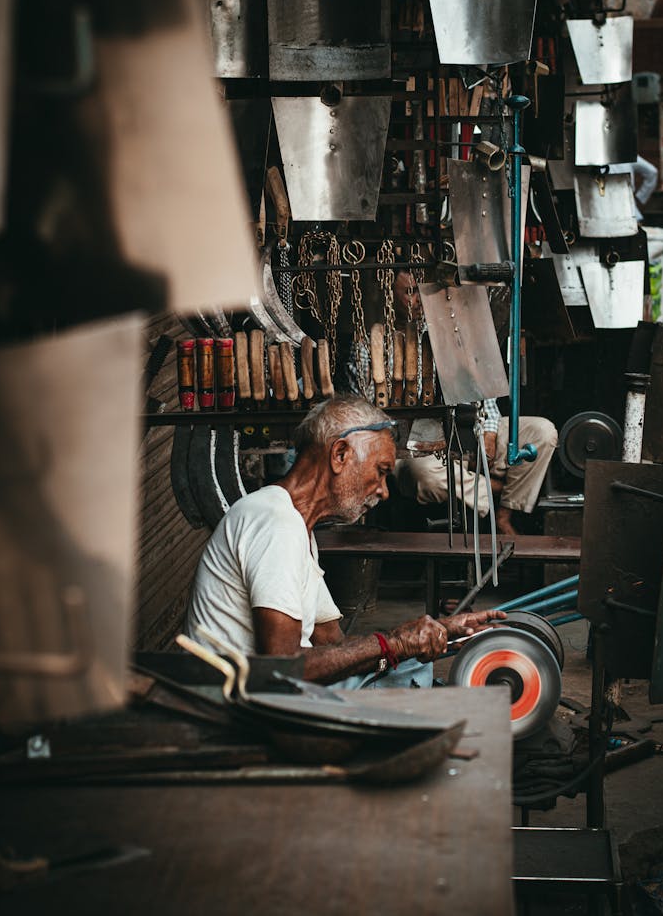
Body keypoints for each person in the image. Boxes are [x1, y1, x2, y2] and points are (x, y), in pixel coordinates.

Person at [186, 395, 505, 686]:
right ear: (339, 454)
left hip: (270, 693)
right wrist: (395, 642)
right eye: (380, 471)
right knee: (412, 688)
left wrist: (437, 633)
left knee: (409, 671)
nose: (384, 490)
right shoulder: (274, 522)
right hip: (241, 707)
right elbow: (282, 668)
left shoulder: (298, 530)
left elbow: (335, 646)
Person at [388, 269, 558, 537]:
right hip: (416, 447)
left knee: (541, 432)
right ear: (391, 296)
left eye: (420, 293)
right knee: (422, 474)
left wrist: (489, 432)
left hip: (468, 432)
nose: (418, 300)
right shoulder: (375, 344)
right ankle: (494, 492)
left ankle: (504, 514)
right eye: (409, 293)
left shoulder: (448, 335)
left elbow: (482, 391)